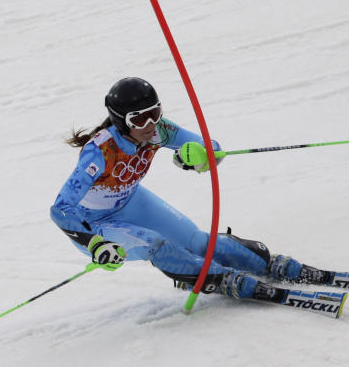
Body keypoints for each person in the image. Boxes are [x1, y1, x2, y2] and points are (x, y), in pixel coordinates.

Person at [50, 77, 327, 300]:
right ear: (122, 121)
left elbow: (212, 147)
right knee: (157, 245)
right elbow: (61, 209)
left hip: (131, 202)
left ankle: (266, 263)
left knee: (196, 241)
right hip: (96, 225)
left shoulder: (160, 130)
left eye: (154, 113)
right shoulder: (100, 151)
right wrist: (95, 244)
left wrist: (198, 155)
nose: (149, 125)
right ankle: (216, 277)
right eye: (139, 120)